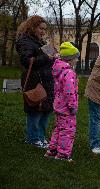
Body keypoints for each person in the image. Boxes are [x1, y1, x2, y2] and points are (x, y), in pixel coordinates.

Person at [16, 15, 55, 148]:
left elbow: (48, 58)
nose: (43, 31)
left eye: (45, 29)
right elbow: (27, 61)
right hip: (35, 81)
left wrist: (54, 56)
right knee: (36, 110)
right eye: (41, 28)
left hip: (47, 81)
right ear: (32, 27)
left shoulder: (41, 42)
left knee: (46, 111)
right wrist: (46, 57)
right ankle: (32, 139)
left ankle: (41, 137)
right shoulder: (24, 41)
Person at [44, 42, 79, 162]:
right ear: (70, 59)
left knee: (58, 128)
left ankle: (52, 150)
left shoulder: (59, 70)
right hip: (66, 108)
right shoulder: (69, 73)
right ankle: (63, 154)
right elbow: (69, 91)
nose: (77, 61)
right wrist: (73, 106)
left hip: (58, 105)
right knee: (68, 130)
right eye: (76, 58)